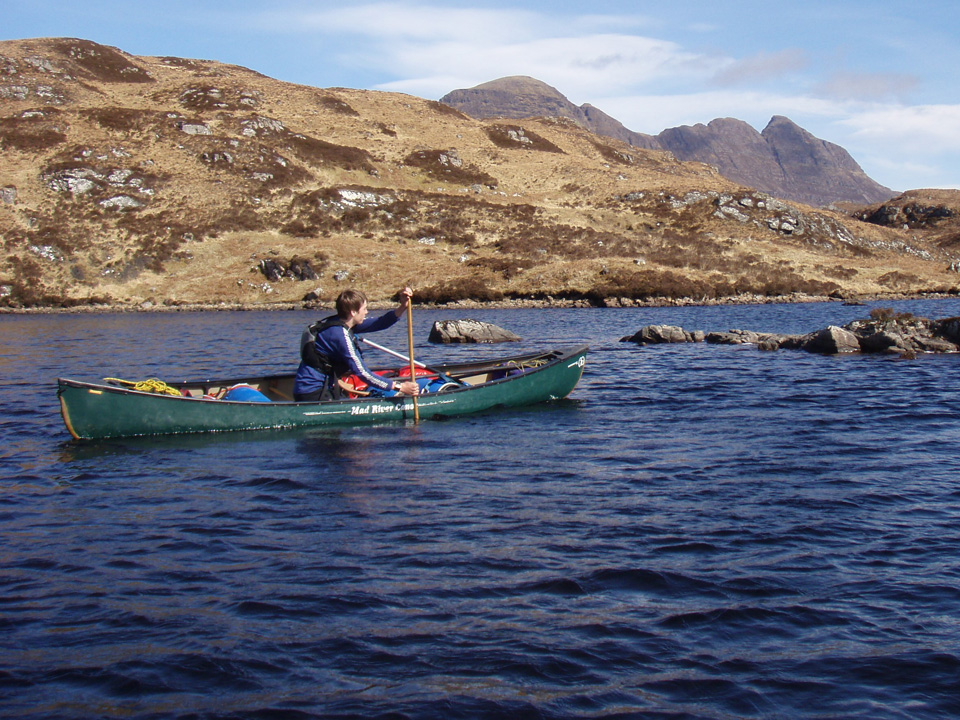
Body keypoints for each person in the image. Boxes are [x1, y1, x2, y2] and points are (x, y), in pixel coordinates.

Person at [293, 286, 420, 401]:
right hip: (314, 392)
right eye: (364, 309)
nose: (366, 312)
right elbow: (363, 373)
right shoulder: (340, 335)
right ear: (353, 312)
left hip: (322, 387)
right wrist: (400, 387)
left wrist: (403, 306)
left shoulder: (343, 322)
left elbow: (381, 322)